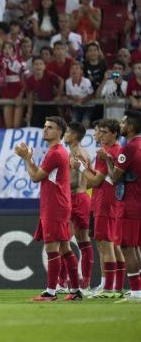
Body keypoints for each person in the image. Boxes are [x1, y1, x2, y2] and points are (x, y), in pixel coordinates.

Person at [14, 116, 82, 301]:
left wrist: (26, 159)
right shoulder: (57, 151)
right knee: (65, 249)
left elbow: (35, 177)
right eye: (44, 126)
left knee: (52, 249)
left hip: (55, 206)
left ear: (59, 132)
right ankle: (75, 290)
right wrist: (29, 159)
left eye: (50, 127)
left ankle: (51, 292)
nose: (45, 130)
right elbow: (42, 175)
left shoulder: (55, 153)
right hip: (58, 204)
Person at [74, 119, 126, 298]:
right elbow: (96, 181)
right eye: (99, 131)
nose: (100, 135)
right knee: (111, 245)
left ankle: (109, 287)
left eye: (104, 132)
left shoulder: (109, 152)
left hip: (106, 203)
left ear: (114, 134)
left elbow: (95, 181)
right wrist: (88, 168)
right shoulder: (110, 152)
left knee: (107, 246)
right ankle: (115, 287)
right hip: (103, 202)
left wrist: (81, 167)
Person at [107, 110, 141, 302]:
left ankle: (136, 292)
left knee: (127, 247)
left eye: (123, 122)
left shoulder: (128, 148)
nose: (121, 125)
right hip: (138, 201)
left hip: (129, 203)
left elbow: (114, 177)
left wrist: (107, 161)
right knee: (135, 247)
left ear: (131, 126)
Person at [63, 122, 93, 294]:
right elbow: (88, 179)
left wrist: (59, 183)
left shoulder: (76, 154)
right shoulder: (85, 153)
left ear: (74, 135)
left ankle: (70, 282)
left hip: (75, 198)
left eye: (67, 132)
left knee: (67, 241)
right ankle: (83, 283)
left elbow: (75, 180)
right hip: (81, 197)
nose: (65, 135)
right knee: (81, 241)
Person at [24, 56, 63, 127]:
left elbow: (61, 81)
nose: (38, 66)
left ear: (44, 66)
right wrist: (29, 112)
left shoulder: (49, 75)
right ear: (32, 67)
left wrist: (59, 95)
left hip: (51, 105)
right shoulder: (30, 80)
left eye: (41, 64)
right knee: (36, 125)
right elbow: (30, 96)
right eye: (36, 64)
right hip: (38, 105)